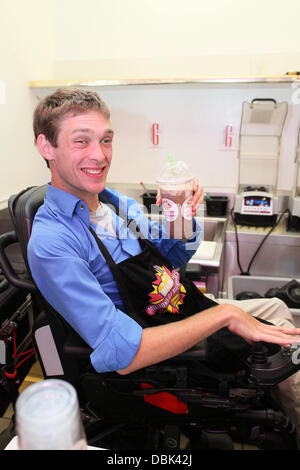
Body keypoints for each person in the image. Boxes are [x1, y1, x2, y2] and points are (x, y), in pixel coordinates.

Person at [28, 87, 300, 433]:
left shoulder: (116, 203)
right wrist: (224, 315)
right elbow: (123, 353)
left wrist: (181, 215)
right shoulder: (53, 242)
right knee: (274, 336)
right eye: (82, 141)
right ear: (46, 147)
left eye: (106, 140)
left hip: (179, 306)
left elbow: (172, 257)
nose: (100, 155)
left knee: (277, 310)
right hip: (151, 344)